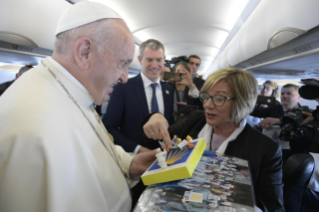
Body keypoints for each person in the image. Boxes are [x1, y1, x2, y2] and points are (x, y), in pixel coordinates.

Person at [0, 2, 157, 212]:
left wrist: (130, 163)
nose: (124, 77)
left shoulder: (73, 91)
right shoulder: (32, 126)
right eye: (122, 64)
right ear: (84, 52)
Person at [142, 68, 284, 211]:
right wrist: (155, 117)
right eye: (206, 96)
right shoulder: (196, 120)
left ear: (243, 101)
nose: (207, 105)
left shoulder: (265, 149)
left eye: (219, 98)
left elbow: (273, 207)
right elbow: (156, 141)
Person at [102, 39, 174, 154]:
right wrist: (138, 149)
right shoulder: (124, 88)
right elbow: (109, 127)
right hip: (135, 157)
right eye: (149, 60)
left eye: (159, 60)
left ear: (164, 59)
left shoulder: (169, 90)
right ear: (140, 60)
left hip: (165, 155)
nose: (155, 65)